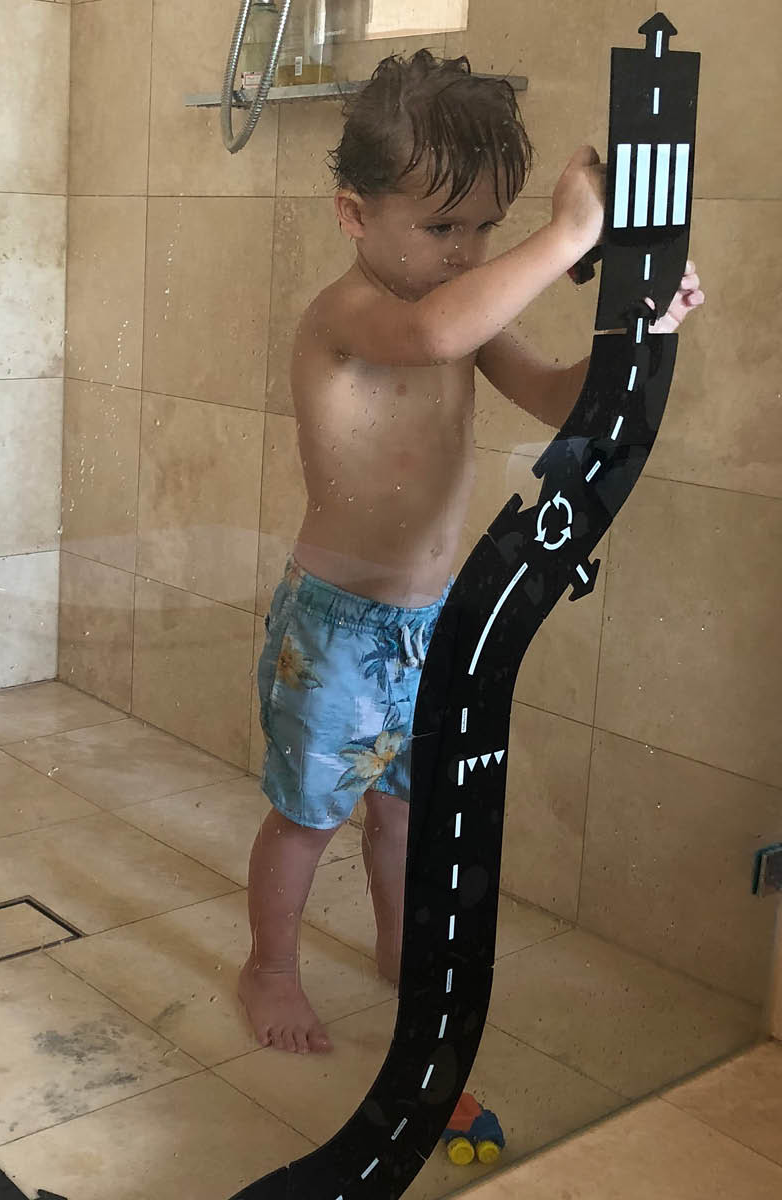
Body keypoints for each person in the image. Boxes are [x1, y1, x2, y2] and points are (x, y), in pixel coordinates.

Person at [239, 48, 704, 1055]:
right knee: (308, 818)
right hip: (338, 627)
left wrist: (639, 329)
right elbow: (439, 333)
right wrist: (567, 234)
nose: (467, 252)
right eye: (443, 227)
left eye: (486, 226)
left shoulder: (458, 317)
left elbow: (556, 396)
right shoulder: (353, 314)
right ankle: (270, 965)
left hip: (434, 621)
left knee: (409, 813)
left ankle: (399, 946)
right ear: (354, 215)